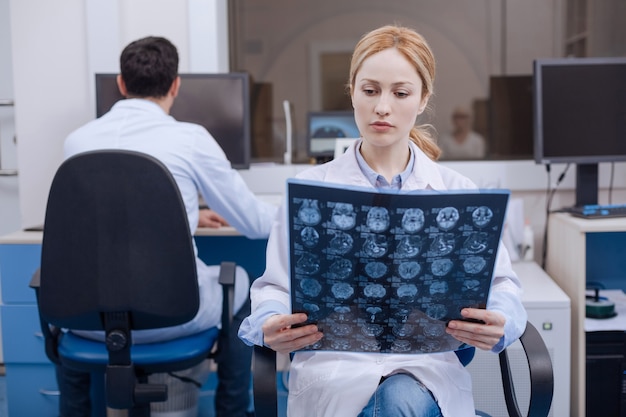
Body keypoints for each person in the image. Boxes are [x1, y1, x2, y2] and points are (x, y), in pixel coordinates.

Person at [238, 24, 526, 417]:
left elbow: (502, 283)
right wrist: (268, 323)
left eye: (401, 93)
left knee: (399, 400)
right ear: (352, 92)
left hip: (424, 374)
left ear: (423, 99)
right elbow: (274, 287)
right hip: (336, 373)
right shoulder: (309, 190)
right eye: (370, 90)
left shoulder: (455, 191)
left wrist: (502, 321)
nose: (382, 107)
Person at [60, 36, 277, 417]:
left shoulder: (76, 142)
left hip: (91, 323)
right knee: (242, 283)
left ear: (121, 84)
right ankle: (232, 410)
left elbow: (110, 218)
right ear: (175, 85)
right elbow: (256, 224)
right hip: (176, 317)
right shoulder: (190, 139)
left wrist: (187, 215)